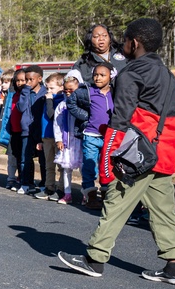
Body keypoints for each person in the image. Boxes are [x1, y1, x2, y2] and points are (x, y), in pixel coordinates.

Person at [58, 18, 175, 285]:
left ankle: (94, 259)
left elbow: (121, 118)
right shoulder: (169, 76)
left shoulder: (131, 72)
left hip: (136, 151)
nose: (122, 44)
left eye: (125, 39)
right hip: (165, 148)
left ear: (135, 43)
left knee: (116, 200)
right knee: (162, 207)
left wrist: (109, 158)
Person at [70, 61, 114, 210]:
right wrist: (85, 116)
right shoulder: (87, 91)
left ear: (111, 77)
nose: (98, 78)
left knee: (107, 167)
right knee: (89, 166)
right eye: (95, 75)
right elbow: (71, 103)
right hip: (91, 135)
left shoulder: (116, 92)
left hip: (109, 137)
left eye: (102, 75)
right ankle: (91, 197)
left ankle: (107, 195)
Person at [33, 72, 65, 200]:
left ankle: (62, 189)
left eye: (52, 88)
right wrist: (40, 138)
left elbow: (52, 115)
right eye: (47, 88)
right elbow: (43, 119)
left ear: (61, 87)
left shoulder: (60, 100)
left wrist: (50, 100)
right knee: (49, 164)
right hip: (46, 136)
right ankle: (49, 187)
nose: (48, 91)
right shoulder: (47, 100)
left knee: (61, 165)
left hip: (58, 138)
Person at [53, 73, 83, 204]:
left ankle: (87, 193)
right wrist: (58, 139)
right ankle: (67, 193)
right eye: (66, 90)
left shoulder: (83, 104)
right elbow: (57, 123)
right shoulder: (62, 105)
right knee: (66, 168)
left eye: (71, 90)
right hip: (67, 141)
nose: (68, 92)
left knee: (84, 168)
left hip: (80, 140)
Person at [17, 65, 45, 195]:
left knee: (43, 159)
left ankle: (45, 184)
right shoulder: (25, 92)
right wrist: (25, 91)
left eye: (31, 80)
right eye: (26, 79)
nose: (27, 82)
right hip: (27, 129)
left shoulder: (45, 92)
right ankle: (26, 183)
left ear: (39, 79)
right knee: (25, 158)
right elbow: (21, 108)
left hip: (42, 130)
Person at [0, 68, 26, 190]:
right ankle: (11, 178)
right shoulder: (8, 96)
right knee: (12, 157)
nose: (5, 85)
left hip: (22, 130)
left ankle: (21, 178)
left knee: (21, 157)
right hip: (11, 131)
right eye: (3, 82)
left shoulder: (22, 94)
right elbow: (3, 114)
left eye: (8, 82)